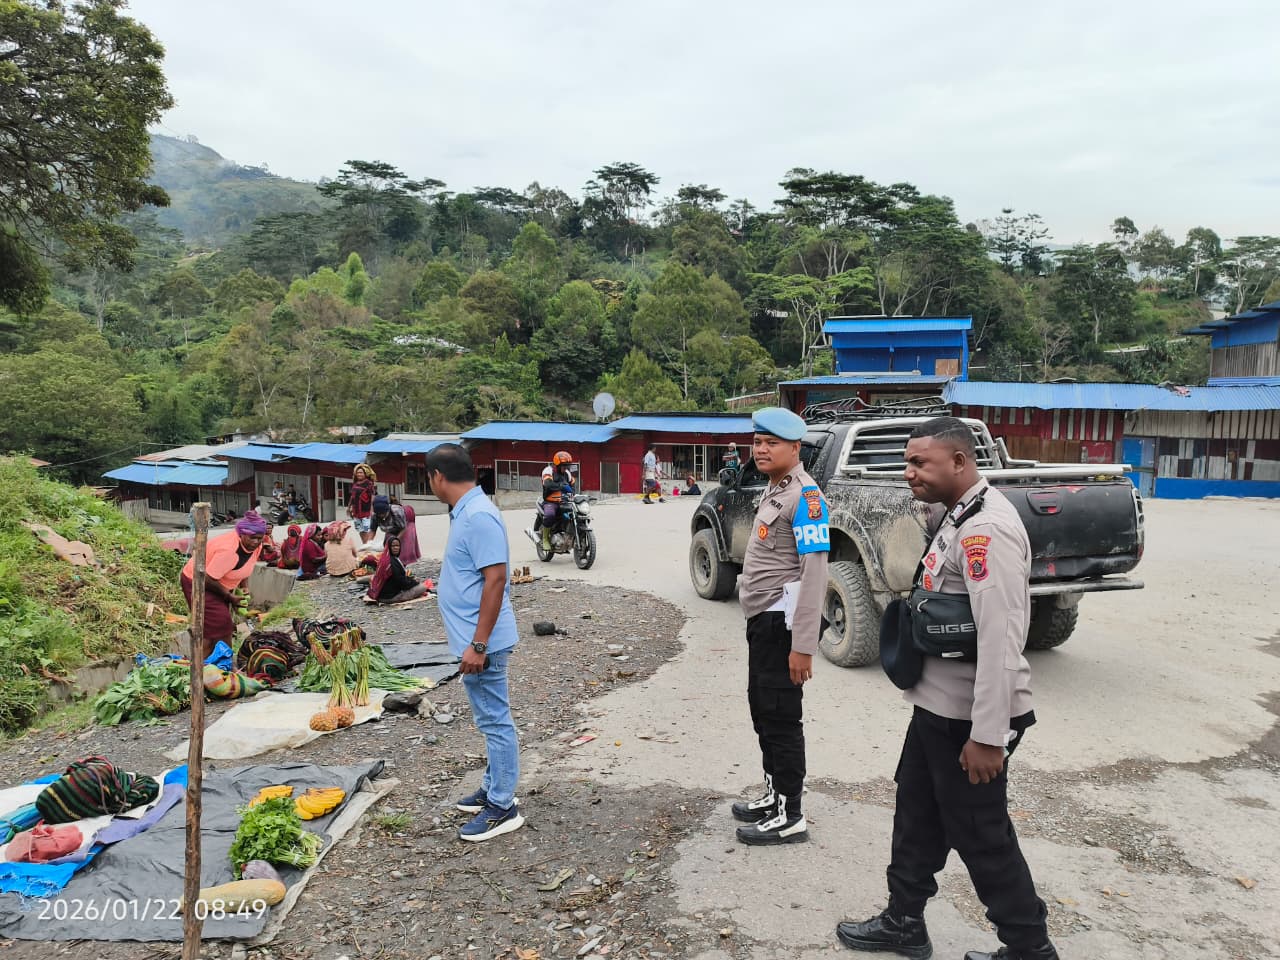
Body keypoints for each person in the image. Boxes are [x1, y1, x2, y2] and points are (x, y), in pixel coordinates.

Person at [836, 417, 1057, 960]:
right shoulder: (959, 513)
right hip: (935, 706)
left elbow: (1003, 640)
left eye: (919, 464)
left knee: (981, 834)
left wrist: (989, 735)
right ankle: (904, 922)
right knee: (916, 814)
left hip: (970, 717)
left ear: (960, 461)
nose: (908, 473)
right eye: (907, 462)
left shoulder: (987, 531)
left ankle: (1030, 948)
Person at [732, 407, 830, 845]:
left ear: (795, 448)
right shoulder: (776, 489)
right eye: (758, 442)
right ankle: (774, 796)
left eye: (772, 443)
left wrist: (804, 644)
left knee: (782, 719)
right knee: (763, 712)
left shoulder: (807, 498)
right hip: (763, 620)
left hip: (782, 623)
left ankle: (792, 814)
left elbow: (815, 574)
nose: (762, 449)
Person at [425, 442, 525, 843]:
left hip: (483, 644)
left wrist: (478, 645)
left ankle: (503, 805)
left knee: (495, 721)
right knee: (488, 718)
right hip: (475, 641)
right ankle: (491, 786)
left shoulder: (479, 515)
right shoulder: (466, 511)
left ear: (437, 477)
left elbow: (496, 579)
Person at [180, 511, 267, 658]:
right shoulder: (229, 551)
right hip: (198, 582)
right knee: (220, 625)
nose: (256, 542)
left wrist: (243, 590)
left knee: (218, 627)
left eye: (259, 538)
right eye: (252, 538)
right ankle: (210, 666)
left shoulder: (255, 547)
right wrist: (228, 596)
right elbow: (207, 578)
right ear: (242, 534)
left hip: (218, 584)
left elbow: (244, 568)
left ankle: (217, 664)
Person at [530, 450, 575, 548]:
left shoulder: (567, 473)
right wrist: (561, 486)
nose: (566, 468)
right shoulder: (548, 470)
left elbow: (572, 485)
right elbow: (548, 484)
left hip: (564, 501)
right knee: (550, 515)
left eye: (567, 466)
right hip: (550, 501)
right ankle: (545, 538)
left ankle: (571, 536)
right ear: (557, 465)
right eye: (564, 466)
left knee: (575, 514)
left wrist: (573, 493)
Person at [347, 463, 378, 544]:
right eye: (358, 473)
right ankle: (365, 544)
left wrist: (372, 509)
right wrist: (348, 507)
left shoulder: (369, 483)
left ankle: (368, 545)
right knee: (360, 530)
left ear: (365, 474)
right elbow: (352, 496)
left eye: (361, 472)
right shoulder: (355, 484)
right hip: (356, 511)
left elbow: (372, 496)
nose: (359, 474)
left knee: (367, 529)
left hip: (366, 511)